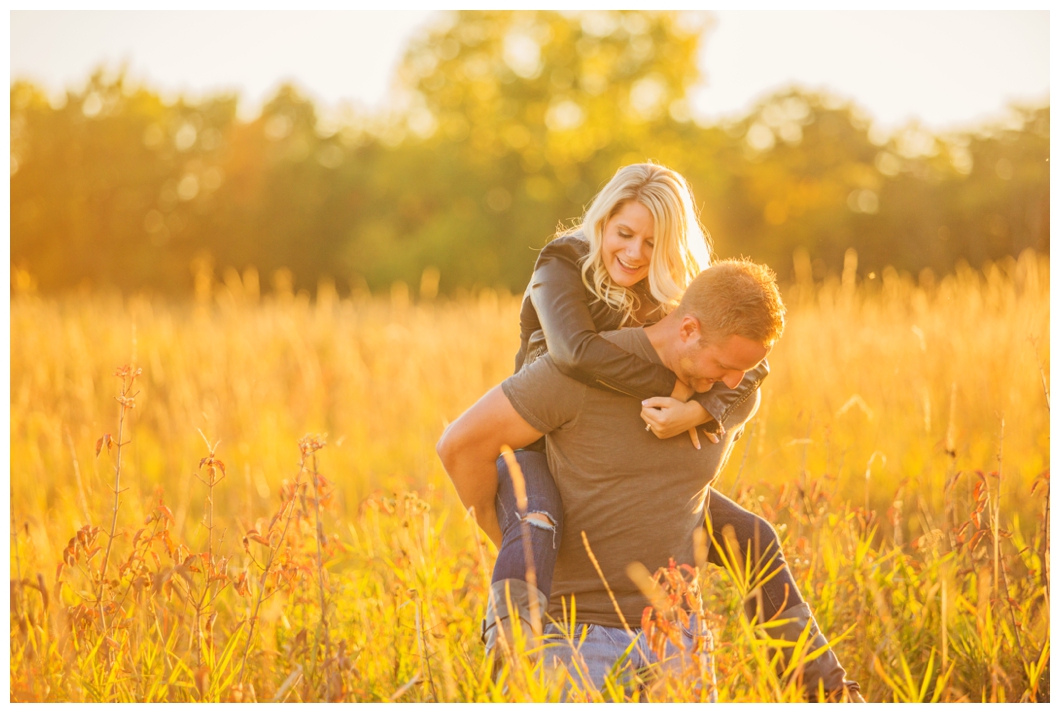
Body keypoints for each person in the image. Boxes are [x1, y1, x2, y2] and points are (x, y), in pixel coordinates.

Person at [442, 164, 859, 700]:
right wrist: (490, 517)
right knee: (535, 522)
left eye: (652, 243)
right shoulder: (564, 264)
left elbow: (751, 369)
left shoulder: (690, 320)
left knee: (755, 538)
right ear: (602, 226)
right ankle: (511, 651)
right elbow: (576, 354)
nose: (635, 253)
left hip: (672, 631)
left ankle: (831, 696)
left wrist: (703, 407)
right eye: (624, 234)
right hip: (536, 451)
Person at [439, 259, 785, 695]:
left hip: (679, 640)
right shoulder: (582, 374)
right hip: (574, 641)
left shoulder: (730, 394)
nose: (737, 381)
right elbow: (460, 446)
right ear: (688, 329)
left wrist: (703, 405)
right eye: (726, 364)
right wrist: (510, 537)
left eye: (746, 369)